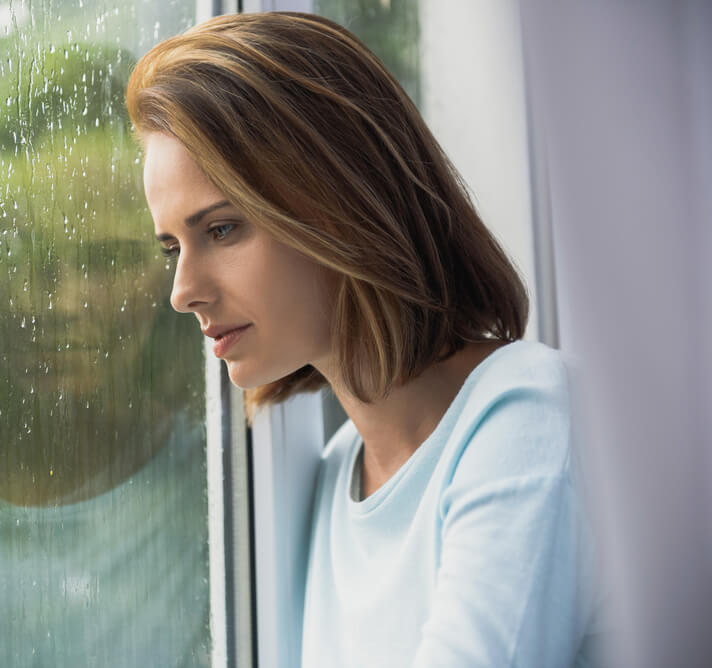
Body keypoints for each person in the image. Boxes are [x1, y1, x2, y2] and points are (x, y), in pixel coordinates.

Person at [126, 10, 601, 667]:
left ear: (334, 202)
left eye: (223, 229)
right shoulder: (331, 479)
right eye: (171, 246)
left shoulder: (526, 416)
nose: (183, 291)